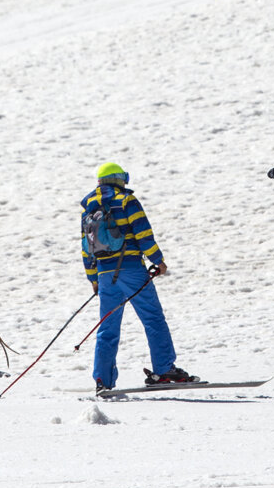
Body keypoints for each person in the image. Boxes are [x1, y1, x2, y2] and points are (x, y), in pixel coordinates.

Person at [81, 162, 197, 392]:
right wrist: (158, 260)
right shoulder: (126, 200)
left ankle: (103, 379)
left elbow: (86, 247)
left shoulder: (89, 207)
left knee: (108, 327)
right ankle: (164, 370)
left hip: (104, 274)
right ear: (118, 179)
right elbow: (143, 233)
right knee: (153, 319)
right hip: (131, 268)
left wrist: (93, 278)